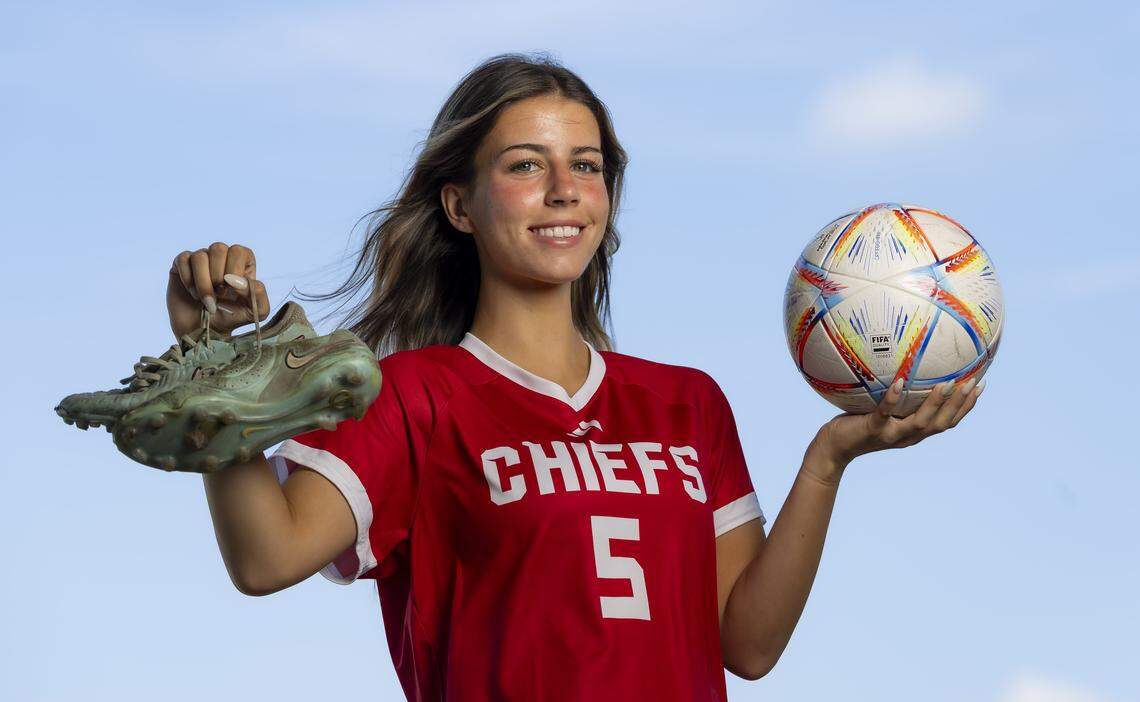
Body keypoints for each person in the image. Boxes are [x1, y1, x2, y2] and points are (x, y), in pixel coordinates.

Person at [166, 53, 983, 702]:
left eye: (586, 166)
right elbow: (265, 559)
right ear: (460, 206)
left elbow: (750, 646)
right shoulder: (412, 395)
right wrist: (216, 366)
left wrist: (826, 462)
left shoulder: (685, 404)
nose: (564, 190)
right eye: (526, 165)